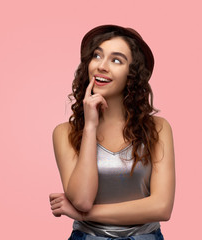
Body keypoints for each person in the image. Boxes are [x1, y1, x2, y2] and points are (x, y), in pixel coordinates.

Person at [49, 25, 175, 240]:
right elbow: (82, 200)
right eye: (97, 56)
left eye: (116, 60)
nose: (102, 66)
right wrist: (90, 126)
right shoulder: (65, 132)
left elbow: (162, 207)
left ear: (132, 74)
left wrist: (81, 214)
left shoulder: (158, 129)